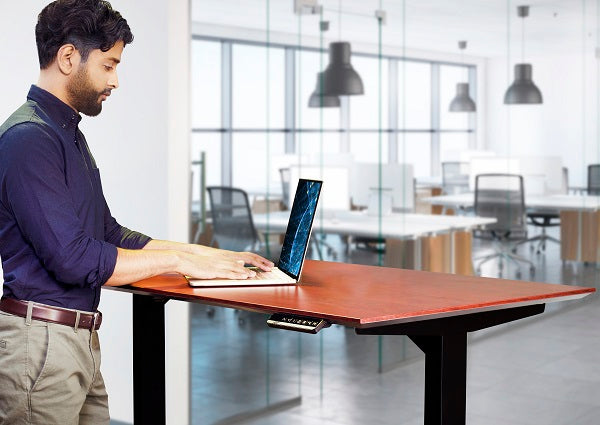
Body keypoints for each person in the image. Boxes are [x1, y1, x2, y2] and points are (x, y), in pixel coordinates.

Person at [0, 1, 273, 423]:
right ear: (69, 57)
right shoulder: (29, 139)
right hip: (42, 346)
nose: (116, 80)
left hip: (75, 340)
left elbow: (106, 233)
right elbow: (72, 258)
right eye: (109, 66)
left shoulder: (64, 133)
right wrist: (178, 260)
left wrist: (204, 256)